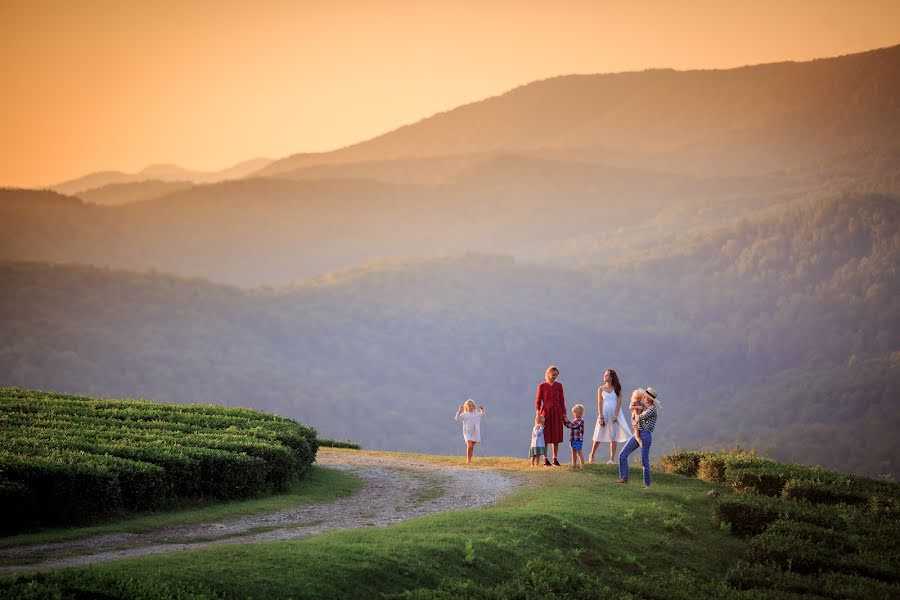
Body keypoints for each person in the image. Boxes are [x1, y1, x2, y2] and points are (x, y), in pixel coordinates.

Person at [617, 387, 659, 487]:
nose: (644, 397)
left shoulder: (652, 410)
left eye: (646, 396)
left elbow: (639, 417)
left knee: (644, 460)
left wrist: (635, 411)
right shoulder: (646, 407)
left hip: (645, 434)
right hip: (639, 432)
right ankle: (624, 478)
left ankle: (647, 485)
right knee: (622, 454)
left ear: (649, 398)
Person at [589, 369, 631, 464]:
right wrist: (600, 416)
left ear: (611, 377)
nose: (604, 376)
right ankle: (592, 455)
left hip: (614, 414)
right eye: (604, 375)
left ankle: (612, 459)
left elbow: (619, 401)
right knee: (598, 434)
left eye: (607, 375)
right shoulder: (601, 389)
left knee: (613, 436)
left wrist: (616, 415)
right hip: (604, 413)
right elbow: (599, 403)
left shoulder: (617, 388)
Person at [535, 365, 566, 466]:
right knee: (546, 436)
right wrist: (538, 413)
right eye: (553, 375)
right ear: (548, 374)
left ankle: (555, 458)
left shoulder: (559, 386)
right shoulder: (542, 386)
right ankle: (545, 458)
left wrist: (564, 414)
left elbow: (562, 400)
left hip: (557, 411)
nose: (554, 377)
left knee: (556, 435)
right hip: (546, 412)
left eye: (556, 375)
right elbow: (538, 400)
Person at [455, 399, 485, 465]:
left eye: (472, 405)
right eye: (469, 406)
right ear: (466, 407)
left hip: (474, 432)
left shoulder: (476, 414)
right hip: (467, 432)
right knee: (470, 445)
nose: (471, 407)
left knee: (472, 447)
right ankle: (468, 460)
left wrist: (482, 410)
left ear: (474, 406)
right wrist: (459, 411)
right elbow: (457, 418)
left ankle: (469, 460)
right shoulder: (465, 414)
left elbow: (482, 416)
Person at [563, 404, 586, 468]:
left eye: (575, 413)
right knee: (573, 452)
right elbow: (569, 425)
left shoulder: (580, 420)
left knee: (579, 452)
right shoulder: (575, 420)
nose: (574, 414)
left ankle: (582, 465)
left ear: (580, 413)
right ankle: (574, 465)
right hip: (573, 439)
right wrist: (565, 421)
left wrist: (567, 420)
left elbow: (573, 426)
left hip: (578, 439)